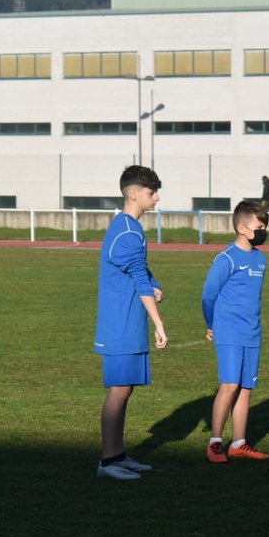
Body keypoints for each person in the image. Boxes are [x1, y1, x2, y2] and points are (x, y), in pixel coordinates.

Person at [93, 165, 169, 480]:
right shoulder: (126, 230)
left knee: (125, 390)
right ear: (134, 193)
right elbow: (137, 274)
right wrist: (159, 322)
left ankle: (117, 454)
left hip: (128, 322)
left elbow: (139, 271)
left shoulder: (131, 228)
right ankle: (108, 462)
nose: (157, 198)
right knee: (118, 390)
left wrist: (153, 284)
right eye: (152, 193)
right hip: (119, 325)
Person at [202, 200, 269, 462]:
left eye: (265, 226)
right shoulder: (227, 258)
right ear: (242, 228)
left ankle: (239, 443)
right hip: (229, 331)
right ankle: (216, 442)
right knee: (229, 385)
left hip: (252, 331)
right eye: (259, 226)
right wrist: (212, 325)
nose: (263, 230)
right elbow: (209, 295)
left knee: (245, 387)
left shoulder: (260, 258)